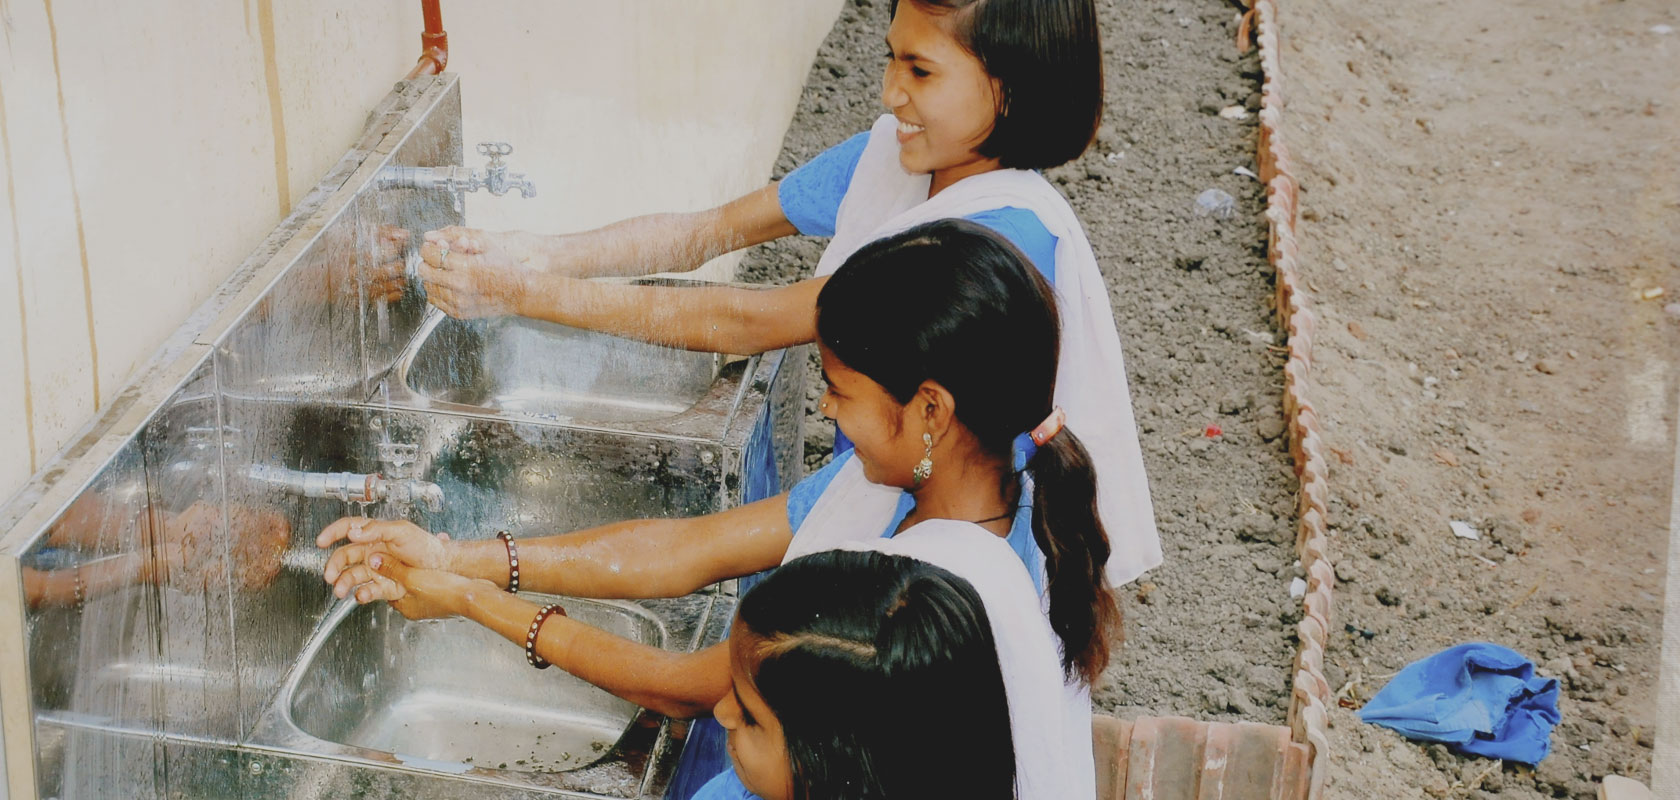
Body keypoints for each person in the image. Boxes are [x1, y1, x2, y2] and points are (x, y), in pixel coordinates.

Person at [318, 221, 1116, 799]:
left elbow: (688, 686)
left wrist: (469, 599)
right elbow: (685, 549)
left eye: (841, 391)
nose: (830, 414)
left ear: (930, 410)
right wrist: (460, 559)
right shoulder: (937, 485)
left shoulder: (913, 609)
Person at [410, 0, 1160, 585]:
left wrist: (519, 292)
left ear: (1009, 84)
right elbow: (712, 229)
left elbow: (746, 318)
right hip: (883, 466)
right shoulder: (900, 156)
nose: (890, 90)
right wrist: (537, 254)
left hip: (948, 521)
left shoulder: (994, 243)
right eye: (890, 57)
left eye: (921, 71)